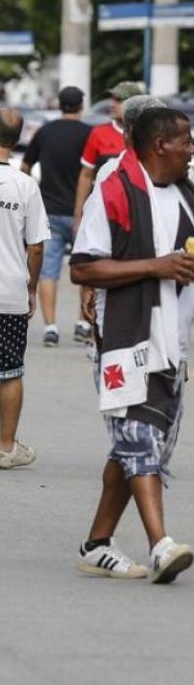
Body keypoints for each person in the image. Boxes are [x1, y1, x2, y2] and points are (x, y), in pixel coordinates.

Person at [69, 108, 194, 582]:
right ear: (160, 145)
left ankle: (97, 544)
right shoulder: (115, 191)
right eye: (186, 141)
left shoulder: (187, 197)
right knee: (140, 441)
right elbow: (83, 267)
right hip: (123, 339)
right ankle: (161, 545)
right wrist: (154, 266)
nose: (193, 150)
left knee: (135, 447)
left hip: (170, 343)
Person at [20, 86, 91, 347]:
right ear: (81, 105)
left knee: (48, 270)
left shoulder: (44, 132)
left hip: (48, 210)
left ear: (59, 105)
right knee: (85, 267)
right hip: (82, 213)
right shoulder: (89, 134)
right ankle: (83, 323)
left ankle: (50, 327)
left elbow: (25, 166)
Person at [0, 108, 49, 469]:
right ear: (16, 141)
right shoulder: (25, 186)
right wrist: (31, 286)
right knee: (9, 370)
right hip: (9, 291)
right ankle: (5, 447)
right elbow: (36, 246)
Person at [73, 81, 142, 282]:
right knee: (90, 267)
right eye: (112, 98)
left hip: (135, 214)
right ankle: (85, 313)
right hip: (104, 211)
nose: (112, 104)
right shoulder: (98, 133)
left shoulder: (145, 135)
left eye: (119, 100)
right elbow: (86, 175)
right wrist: (79, 215)